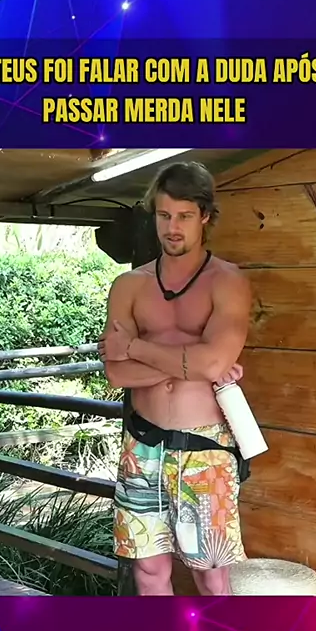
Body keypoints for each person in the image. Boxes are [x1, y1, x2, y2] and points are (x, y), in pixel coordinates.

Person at [98, 161, 252, 596]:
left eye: (184, 216)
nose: (172, 227)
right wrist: (193, 363)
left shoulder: (227, 282)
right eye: (164, 215)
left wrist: (135, 347)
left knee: (212, 574)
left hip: (206, 447)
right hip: (142, 444)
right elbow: (116, 372)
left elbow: (211, 364)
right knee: (148, 571)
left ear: (205, 216)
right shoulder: (129, 285)